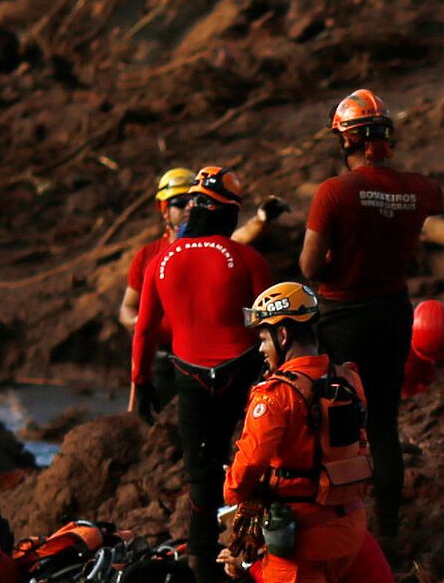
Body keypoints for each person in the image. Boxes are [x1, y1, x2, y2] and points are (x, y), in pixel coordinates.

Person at [299, 89, 444, 546]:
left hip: (343, 317)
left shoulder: (334, 192)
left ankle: (342, 527)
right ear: (385, 138)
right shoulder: (420, 188)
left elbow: (309, 267)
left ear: (347, 142)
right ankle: (392, 530)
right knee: (384, 422)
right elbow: (434, 203)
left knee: (336, 424)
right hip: (393, 314)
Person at [128, 166, 272, 583]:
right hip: (242, 373)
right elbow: (270, 326)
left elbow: (144, 329)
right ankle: (259, 554)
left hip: (187, 377)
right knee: (255, 463)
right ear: (228, 214)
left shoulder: (158, 262)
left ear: (193, 208)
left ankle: (202, 565)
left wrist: (141, 381)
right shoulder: (247, 258)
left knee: (200, 472)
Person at [219, 282, 389, 583]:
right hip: (351, 529)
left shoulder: (275, 395)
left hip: (301, 541)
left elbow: (242, 476)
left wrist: (234, 486)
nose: (261, 349)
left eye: (263, 339)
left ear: (282, 335)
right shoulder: (349, 379)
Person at [120, 168, 286, 404]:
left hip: (222, 361)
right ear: (163, 209)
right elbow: (129, 309)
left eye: (192, 201)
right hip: (167, 355)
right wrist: (140, 330)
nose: (187, 208)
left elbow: (239, 239)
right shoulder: (149, 257)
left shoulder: (228, 251)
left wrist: (260, 219)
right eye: (179, 203)